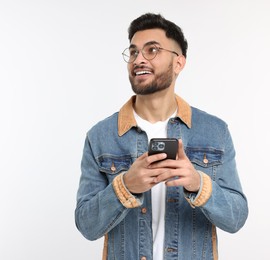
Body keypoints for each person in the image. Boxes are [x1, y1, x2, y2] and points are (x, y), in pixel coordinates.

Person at [75, 13, 248, 260]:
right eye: (133, 52)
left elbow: (237, 218)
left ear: (178, 63)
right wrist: (125, 187)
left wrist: (198, 183)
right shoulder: (100, 136)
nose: (139, 59)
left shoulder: (214, 132)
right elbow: (86, 225)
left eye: (152, 50)